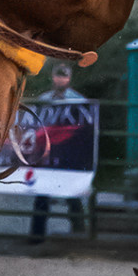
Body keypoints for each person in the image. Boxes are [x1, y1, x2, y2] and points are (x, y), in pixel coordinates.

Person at [29, 63, 86, 242]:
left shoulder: (79, 101)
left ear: (69, 78)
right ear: (53, 77)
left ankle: (79, 230)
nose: (61, 79)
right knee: (42, 190)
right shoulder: (44, 99)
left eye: (64, 76)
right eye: (58, 75)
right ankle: (37, 235)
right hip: (48, 151)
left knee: (71, 190)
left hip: (68, 150)